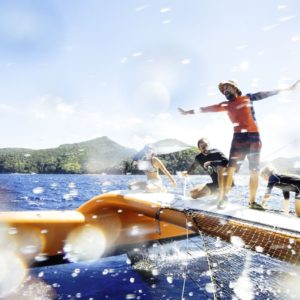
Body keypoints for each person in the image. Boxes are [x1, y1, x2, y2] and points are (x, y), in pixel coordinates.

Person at [178, 79, 300, 209]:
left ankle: (252, 203)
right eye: (223, 89)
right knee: (230, 169)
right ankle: (224, 197)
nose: (225, 90)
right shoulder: (225, 105)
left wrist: (288, 89)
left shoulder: (248, 98)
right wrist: (187, 112)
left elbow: (267, 93)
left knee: (254, 171)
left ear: (235, 88)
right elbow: (206, 109)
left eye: (227, 87)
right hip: (238, 139)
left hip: (253, 138)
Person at [181, 138, 228, 204]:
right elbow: (194, 166)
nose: (205, 148)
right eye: (202, 147)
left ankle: (222, 196)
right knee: (192, 194)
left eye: (206, 145)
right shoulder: (199, 158)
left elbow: (227, 162)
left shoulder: (216, 152)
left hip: (225, 183)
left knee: (220, 168)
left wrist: (211, 163)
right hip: (215, 184)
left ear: (209, 145)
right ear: (199, 148)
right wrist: (188, 172)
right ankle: (216, 193)